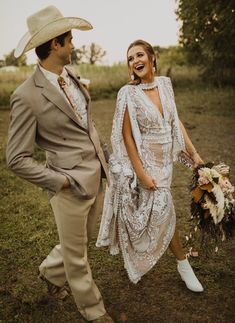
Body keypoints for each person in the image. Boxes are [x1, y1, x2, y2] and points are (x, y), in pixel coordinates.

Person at [6, 5, 113, 323]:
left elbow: (87, 125)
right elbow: (15, 158)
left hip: (95, 177)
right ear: (55, 44)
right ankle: (94, 311)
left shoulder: (74, 76)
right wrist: (60, 182)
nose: (74, 44)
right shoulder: (26, 96)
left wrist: (105, 159)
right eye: (70, 39)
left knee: (77, 243)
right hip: (68, 185)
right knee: (78, 257)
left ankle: (50, 273)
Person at [96, 39, 204, 292]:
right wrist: (142, 174)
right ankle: (183, 264)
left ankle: (145, 254)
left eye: (139, 55)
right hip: (146, 161)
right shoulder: (128, 94)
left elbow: (175, 122)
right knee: (163, 209)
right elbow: (127, 138)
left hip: (166, 160)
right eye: (130, 58)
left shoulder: (166, 84)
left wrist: (194, 154)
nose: (135, 61)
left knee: (156, 212)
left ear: (152, 57)